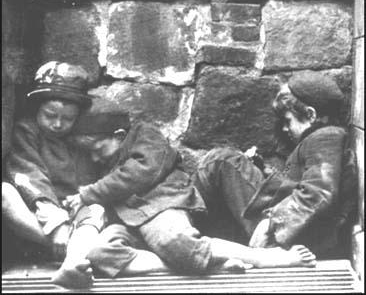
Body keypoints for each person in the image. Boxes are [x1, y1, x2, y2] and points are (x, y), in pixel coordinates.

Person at [54, 96, 316, 289]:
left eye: (98, 149)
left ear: (119, 135)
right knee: (98, 253)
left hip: (159, 204)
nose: (95, 158)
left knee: (177, 244)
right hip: (129, 220)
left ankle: (266, 257)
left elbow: (139, 173)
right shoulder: (101, 157)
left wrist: (88, 194)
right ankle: (214, 264)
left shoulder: (147, 137)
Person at [193, 71, 357, 258]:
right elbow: (299, 184)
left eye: (288, 121)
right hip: (289, 227)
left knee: (220, 161)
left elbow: (319, 193)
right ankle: (193, 237)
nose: (285, 129)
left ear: (311, 114)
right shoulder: (321, 139)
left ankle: (186, 237)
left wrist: (272, 221)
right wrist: (263, 169)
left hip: (290, 235)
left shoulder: (326, 137)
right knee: (225, 162)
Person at [2, 61, 105, 282]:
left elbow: (87, 184)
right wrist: (56, 224)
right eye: (50, 115)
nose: (58, 124)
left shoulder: (78, 139)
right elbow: (29, 175)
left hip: (73, 214)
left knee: (96, 208)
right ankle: (71, 249)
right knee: (4, 193)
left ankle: (72, 263)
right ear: (37, 109)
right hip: (39, 216)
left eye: (67, 119)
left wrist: (79, 204)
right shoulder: (26, 130)